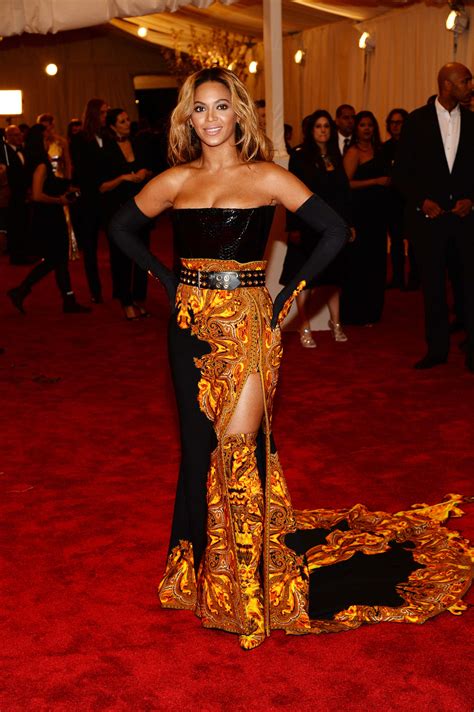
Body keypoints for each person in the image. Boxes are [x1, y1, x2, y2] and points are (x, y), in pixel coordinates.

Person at [110, 68, 471, 649]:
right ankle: (202, 577)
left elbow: (335, 230)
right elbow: (121, 227)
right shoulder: (174, 181)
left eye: (220, 107)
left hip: (251, 325)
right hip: (189, 329)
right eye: (199, 109)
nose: (210, 119)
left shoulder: (269, 177)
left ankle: (250, 587)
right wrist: (166, 281)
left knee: (240, 450)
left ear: (239, 114)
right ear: (187, 117)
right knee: (199, 450)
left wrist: (289, 294)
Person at [394, 62, 474, 372]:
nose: (470, 85)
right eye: (465, 80)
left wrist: (472, 200)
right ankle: (437, 349)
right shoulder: (417, 121)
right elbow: (401, 172)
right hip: (430, 221)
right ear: (447, 85)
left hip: (466, 221)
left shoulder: (471, 121)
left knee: (469, 286)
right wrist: (421, 201)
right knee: (434, 288)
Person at [280, 109, 353, 347]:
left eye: (326, 126)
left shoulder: (335, 155)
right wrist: (294, 227)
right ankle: (304, 327)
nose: (323, 130)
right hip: (308, 227)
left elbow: (343, 194)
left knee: (334, 278)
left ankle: (337, 323)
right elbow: (291, 194)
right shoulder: (300, 156)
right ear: (311, 131)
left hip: (333, 229)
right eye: (318, 126)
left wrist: (347, 225)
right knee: (306, 282)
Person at [6, 124, 90, 314]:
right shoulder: (41, 165)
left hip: (50, 215)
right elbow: (36, 195)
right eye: (46, 138)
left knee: (57, 260)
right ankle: (22, 290)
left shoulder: (39, 162)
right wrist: (58, 200)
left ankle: (66, 299)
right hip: (48, 218)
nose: (50, 141)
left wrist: (66, 189)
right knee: (56, 260)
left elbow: (56, 183)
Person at [98, 108, 153, 319]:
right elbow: (101, 187)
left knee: (142, 257)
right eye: (122, 121)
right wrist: (123, 178)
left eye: (128, 119)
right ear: (112, 126)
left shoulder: (139, 143)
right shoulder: (106, 150)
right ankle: (126, 301)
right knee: (121, 258)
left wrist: (143, 173)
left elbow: (151, 170)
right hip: (118, 212)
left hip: (142, 208)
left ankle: (139, 299)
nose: (127, 123)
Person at [341, 110, 390, 325]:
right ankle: (356, 313)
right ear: (356, 128)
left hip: (378, 214)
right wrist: (375, 181)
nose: (367, 128)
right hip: (360, 215)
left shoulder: (380, 150)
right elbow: (345, 185)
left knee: (377, 264)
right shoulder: (353, 152)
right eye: (363, 125)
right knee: (360, 264)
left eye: (370, 125)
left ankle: (373, 312)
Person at [70, 98, 109, 303]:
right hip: (89, 200)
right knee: (90, 248)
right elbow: (82, 171)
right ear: (94, 114)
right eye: (103, 113)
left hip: (110, 199)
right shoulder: (79, 139)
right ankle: (95, 291)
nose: (106, 116)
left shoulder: (109, 136)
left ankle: (119, 289)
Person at [382, 108, 419, 290]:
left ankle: (414, 279)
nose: (396, 126)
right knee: (396, 243)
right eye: (393, 122)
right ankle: (397, 278)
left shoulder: (415, 146)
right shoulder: (384, 148)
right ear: (388, 126)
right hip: (391, 201)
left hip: (411, 200)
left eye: (400, 122)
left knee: (413, 242)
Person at [1, 125, 35, 265]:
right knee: (15, 226)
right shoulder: (4, 151)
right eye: (15, 135)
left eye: (20, 134)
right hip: (13, 194)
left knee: (24, 224)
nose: (19, 137)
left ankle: (24, 253)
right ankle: (17, 257)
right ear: (7, 137)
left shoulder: (23, 150)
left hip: (24, 193)